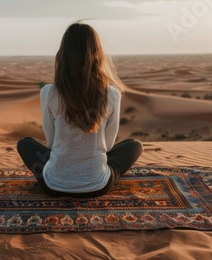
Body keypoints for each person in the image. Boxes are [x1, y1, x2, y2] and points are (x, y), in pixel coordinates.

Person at [17, 21, 143, 198]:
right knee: (134, 146)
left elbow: (52, 143)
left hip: (52, 185)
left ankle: (62, 174)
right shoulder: (112, 94)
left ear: (63, 54)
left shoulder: (49, 92)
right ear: (97, 54)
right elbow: (108, 146)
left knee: (25, 144)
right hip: (97, 186)